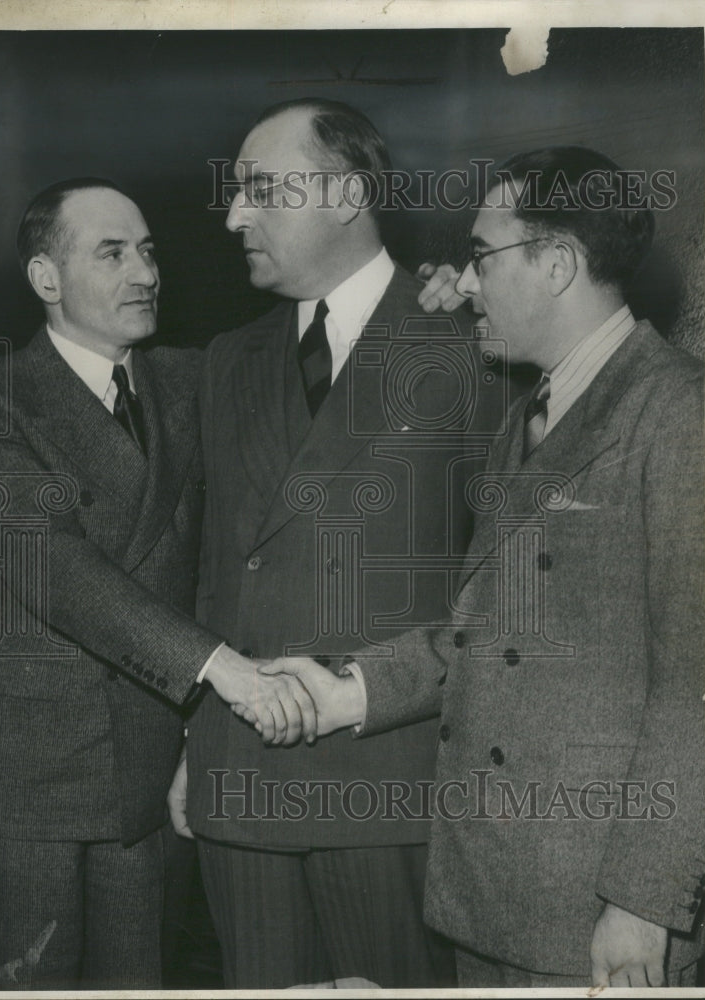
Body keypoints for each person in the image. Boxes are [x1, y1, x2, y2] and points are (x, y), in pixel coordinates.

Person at [261, 146, 705, 988]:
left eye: (481, 256)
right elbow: (483, 629)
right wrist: (344, 690)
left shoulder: (677, 412)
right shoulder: (529, 412)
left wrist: (644, 903)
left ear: (557, 264)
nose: (463, 282)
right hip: (492, 890)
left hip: (599, 914)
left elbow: (701, 686)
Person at [0, 178, 318, 990]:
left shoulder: (190, 380)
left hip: (148, 778)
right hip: (22, 782)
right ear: (46, 279)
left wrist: (436, 302)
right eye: (111, 253)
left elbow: (317, 349)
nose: (144, 273)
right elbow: (56, 567)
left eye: (147, 251)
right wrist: (218, 667)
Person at [168, 98, 500, 988]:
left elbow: (506, 587)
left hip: (392, 785)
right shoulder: (228, 358)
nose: (237, 215)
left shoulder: (474, 339)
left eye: (262, 190)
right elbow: (210, 571)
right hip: (240, 779)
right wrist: (189, 751)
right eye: (237, 193)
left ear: (349, 193)